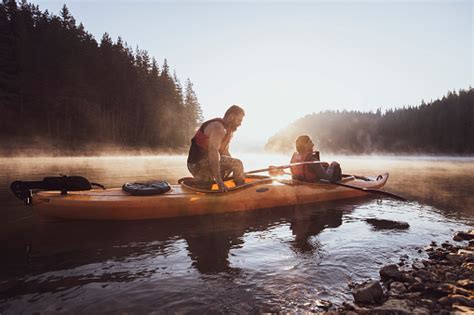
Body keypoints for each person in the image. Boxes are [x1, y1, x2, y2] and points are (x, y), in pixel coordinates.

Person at [187, 105, 246, 192]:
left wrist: (238, 172)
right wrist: (219, 182)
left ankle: (203, 180)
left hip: (206, 163)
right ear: (231, 117)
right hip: (196, 165)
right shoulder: (218, 128)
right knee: (237, 163)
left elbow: (225, 154)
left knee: (235, 165)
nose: (240, 124)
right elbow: (213, 153)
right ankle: (242, 191)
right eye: (239, 120)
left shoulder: (228, 131)